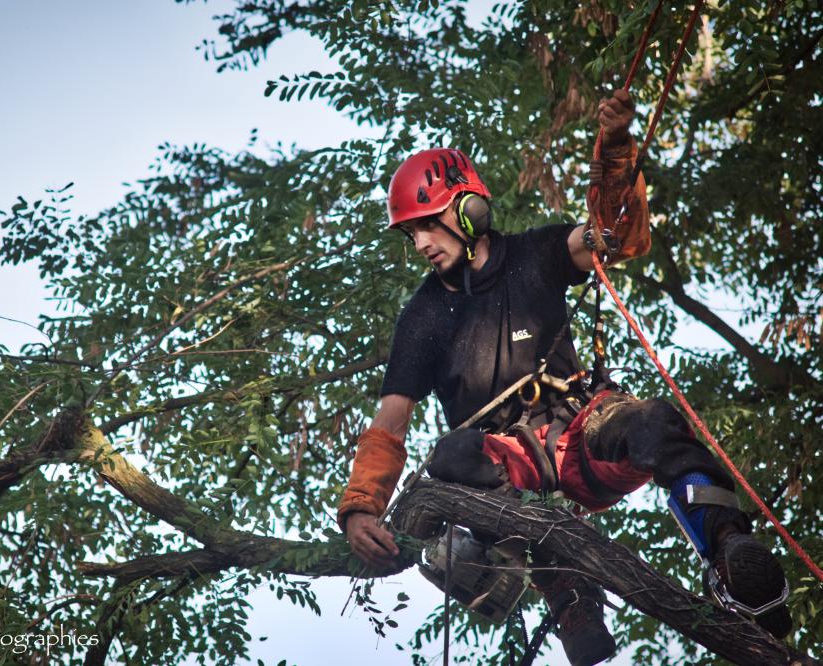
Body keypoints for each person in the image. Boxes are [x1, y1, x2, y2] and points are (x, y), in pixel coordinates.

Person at [337, 90, 791, 666]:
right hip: (509, 465)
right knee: (449, 456)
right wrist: (360, 508)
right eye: (412, 234)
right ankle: (568, 590)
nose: (421, 243)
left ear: (467, 211)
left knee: (653, 422)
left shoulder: (536, 254)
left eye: (427, 225)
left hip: (583, 432)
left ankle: (729, 551)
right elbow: (390, 423)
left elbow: (616, 237)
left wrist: (616, 147)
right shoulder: (422, 318)